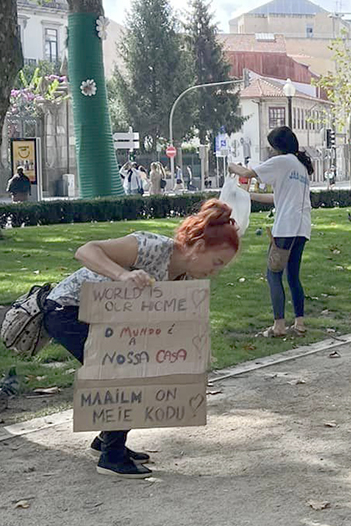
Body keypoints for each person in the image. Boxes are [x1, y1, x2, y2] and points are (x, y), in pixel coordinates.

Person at [42, 199, 240, 477]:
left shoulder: (184, 278)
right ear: (198, 246)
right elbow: (85, 251)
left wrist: (193, 352)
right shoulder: (151, 247)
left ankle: (106, 442)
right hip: (69, 310)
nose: (215, 272)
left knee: (139, 367)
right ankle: (111, 457)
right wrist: (123, 275)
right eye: (216, 262)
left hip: (109, 322)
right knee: (122, 371)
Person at [229, 126, 313, 338]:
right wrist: (249, 196)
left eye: (272, 147)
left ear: (278, 146)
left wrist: (231, 166)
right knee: (293, 275)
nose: (272, 151)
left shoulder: (282, 161)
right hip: (302, 227)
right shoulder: (301, 167)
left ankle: (279, 326)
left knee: (273, 273)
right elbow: (279, 198)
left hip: (285, 227)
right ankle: (299, 323)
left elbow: (247, 173)